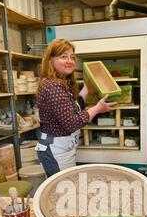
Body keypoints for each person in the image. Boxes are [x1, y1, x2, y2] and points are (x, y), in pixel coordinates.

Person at [36, 38, 116, 177]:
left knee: (67, 187)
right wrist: (97, 108)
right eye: (63, 57)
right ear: (51, 60)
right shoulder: (52, 86)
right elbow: (72, 123)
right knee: (62, 191)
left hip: (63, 148)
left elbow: (72, 108)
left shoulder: (61, 82)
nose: (70, 61)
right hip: (56, 150)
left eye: (72, 57)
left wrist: (86, 89)